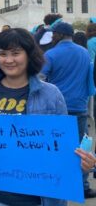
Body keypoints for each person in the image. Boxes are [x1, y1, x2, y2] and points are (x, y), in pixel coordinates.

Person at [0, 28, 95, 205]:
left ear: (29, 55)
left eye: (16, 53)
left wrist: (84, 162)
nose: (9, 60)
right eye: (2, 53)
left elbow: (65, 147)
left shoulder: (51, 94)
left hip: (35, 197)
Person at [41, 22, 96, 198]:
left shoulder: (51, 54)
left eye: (53, 34)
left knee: (56, 147)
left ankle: (58, 182)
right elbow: (89, 80)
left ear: (58, 35)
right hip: (79, 106)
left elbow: (40, 79)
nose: (52, 37)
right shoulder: (84, 52)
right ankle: (83, 185)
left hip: (57, 109)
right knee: (82, 148)